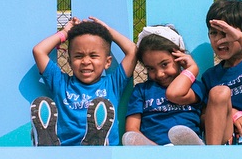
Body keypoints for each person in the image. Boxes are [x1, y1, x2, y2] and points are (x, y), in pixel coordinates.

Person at [166, 0, 242, 145]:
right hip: (226, 140)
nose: (219, 40)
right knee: (219, 92)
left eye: (226, 34)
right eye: (214, 33)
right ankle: (213, 157)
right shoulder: (211, 77)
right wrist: (233, 113)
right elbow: (204, 116)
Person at [31, 16, 137, 146]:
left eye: (93, 56)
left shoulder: (113, 84)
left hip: (103, 154)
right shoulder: (60, 83)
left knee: (100, 106)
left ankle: (96, 140)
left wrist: (107, 31)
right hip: (66, 150)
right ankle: (46, 142)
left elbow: (133, 50)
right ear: (69, 62)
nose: (86, 62)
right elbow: (39, 51)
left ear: (107, 62)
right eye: (78, 56)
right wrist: (65, 33)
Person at [121, 25, 204, 146]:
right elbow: (131, 128)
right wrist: (156, 150)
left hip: (187, 147)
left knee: (181, 134)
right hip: (154, 148)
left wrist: (192, 69)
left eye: (164, 64)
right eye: (151, 68)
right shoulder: (141, 90)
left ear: (179, 57)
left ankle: (195, 148)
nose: (159, 74)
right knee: (129, 137)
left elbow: (175, 94)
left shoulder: (195, 87)